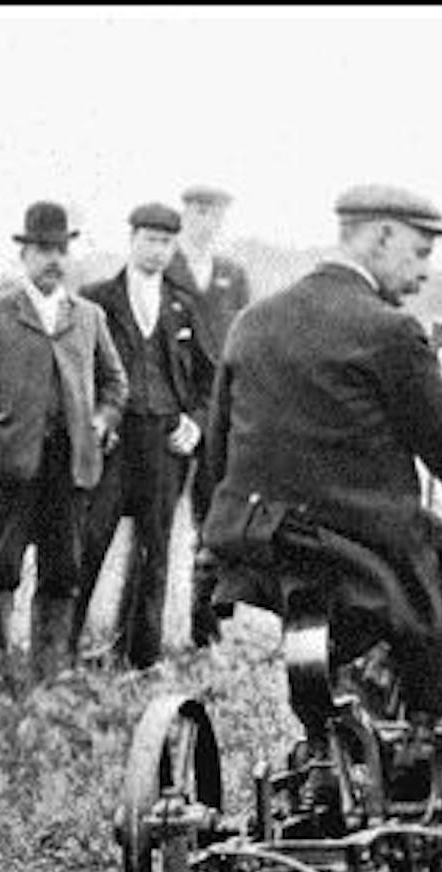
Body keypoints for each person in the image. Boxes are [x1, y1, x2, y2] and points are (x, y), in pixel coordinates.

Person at [201, 184, 442, 797]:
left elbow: (217, 451)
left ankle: (327, 745)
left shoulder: (253, 322)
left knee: (368, 582)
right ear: (378, 235)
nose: (423, 272)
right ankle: (426, 729)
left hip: (258, 543)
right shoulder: (388, 332)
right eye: (419, 252)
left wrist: (209, 551)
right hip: (351, 542)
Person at [0, 201, 127, 683]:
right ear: (24, 255)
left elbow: (114, 382)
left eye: (60, 249)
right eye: (42, 250)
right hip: (12, 465)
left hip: (72, 464)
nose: (53, 260)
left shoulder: (88, 317)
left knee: (62, 570)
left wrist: (102, 420)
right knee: (2, 567)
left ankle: (50, 666)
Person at [74, 202, 212, 671]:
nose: (158, 250)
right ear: (131, 239)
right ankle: (63, 650)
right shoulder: (96, 300)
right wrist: (95, 421)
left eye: (166, 242)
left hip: (164, 441)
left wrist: (194, 421)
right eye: (150, 240)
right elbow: (78, 370)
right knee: (90, 540)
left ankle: (140, 656)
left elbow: (207, 381)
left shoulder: (183, 305)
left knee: (155, 550)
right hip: (114, 440)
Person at [165, 184, 253, 649]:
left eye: (213, 212)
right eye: (198, 211)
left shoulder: (232, 275)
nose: (205, 220)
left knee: (214, 518)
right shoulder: (165, 267)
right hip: (172, 408)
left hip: (220, 413)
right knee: (154, 522)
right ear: (185, 214)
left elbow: (245, 341)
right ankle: (138, 629)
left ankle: (205, 624)